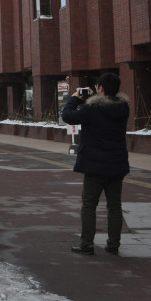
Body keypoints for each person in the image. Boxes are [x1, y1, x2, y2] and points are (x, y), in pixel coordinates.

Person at [61, 73, 130, 256]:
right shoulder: (123, 107)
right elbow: (104, 108)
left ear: (101, 88)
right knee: (114, 205)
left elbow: (68, 116)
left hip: (95, 165)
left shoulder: (92, 109)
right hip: (116, 163)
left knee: (89, 204)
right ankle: (114, 244)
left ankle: (87, 244)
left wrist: (75, 98)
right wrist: (92, 97)